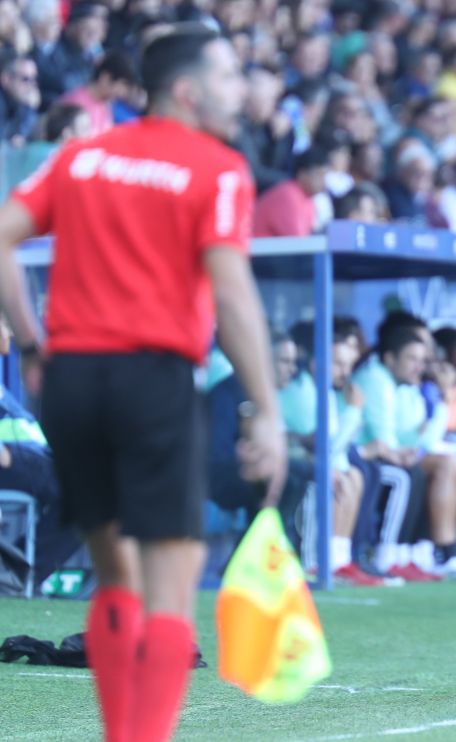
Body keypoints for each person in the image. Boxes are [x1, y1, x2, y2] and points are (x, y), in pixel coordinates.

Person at [0, 25, 287, 742]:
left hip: (68, 382)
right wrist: (266, 412)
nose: (239, 89)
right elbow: (233, 294)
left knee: (115, 575)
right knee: (170, 587)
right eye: (227, 76)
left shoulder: (83, 156)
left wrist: (31, 343)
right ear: (187, 92)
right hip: (153, 381)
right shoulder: (217, 168)